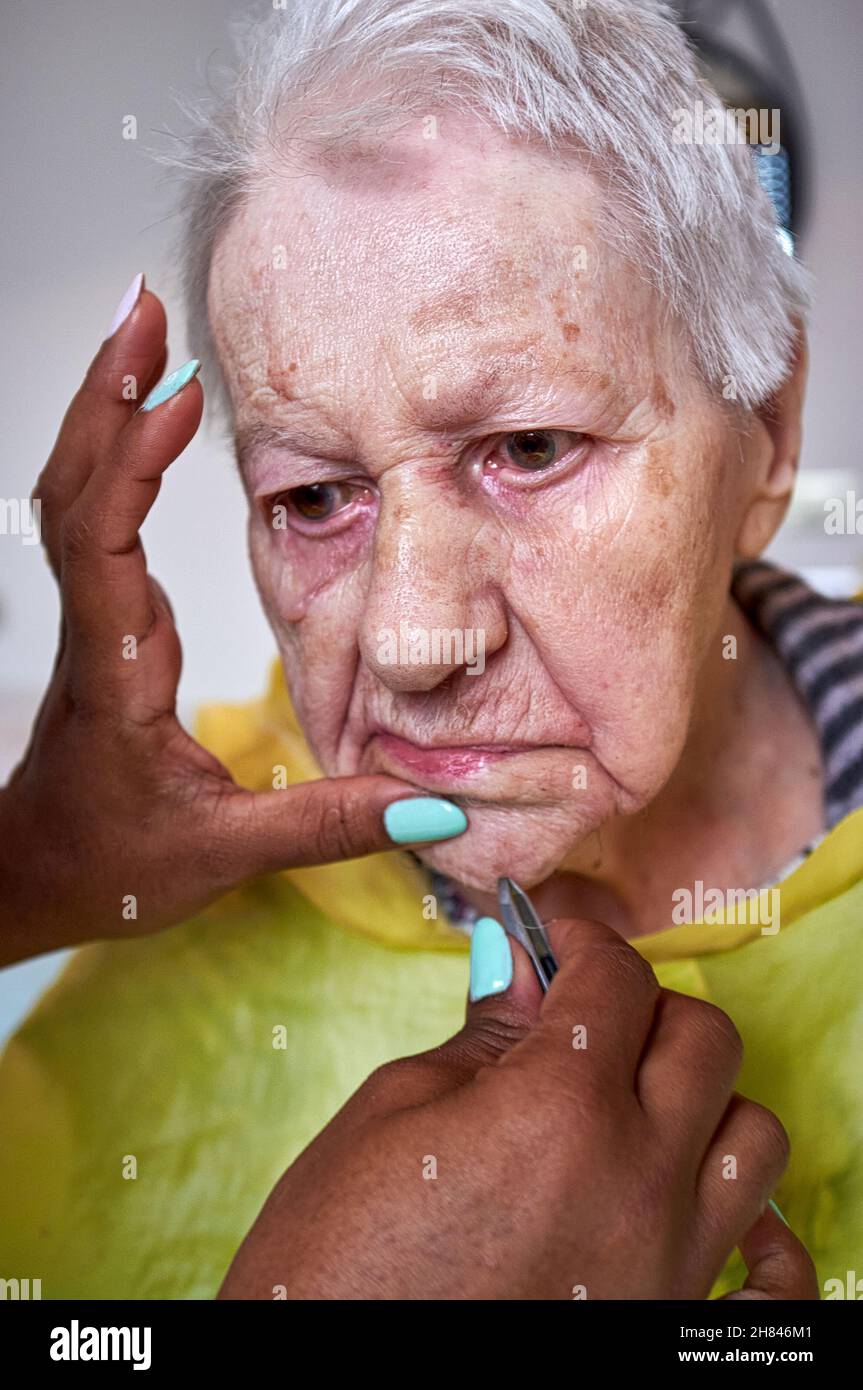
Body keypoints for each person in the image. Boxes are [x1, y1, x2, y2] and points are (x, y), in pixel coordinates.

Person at [0, 0, 859, 1298]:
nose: (407, 639)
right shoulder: (138, 857)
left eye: (527, 449)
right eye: (313, 496)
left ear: (767, 432)